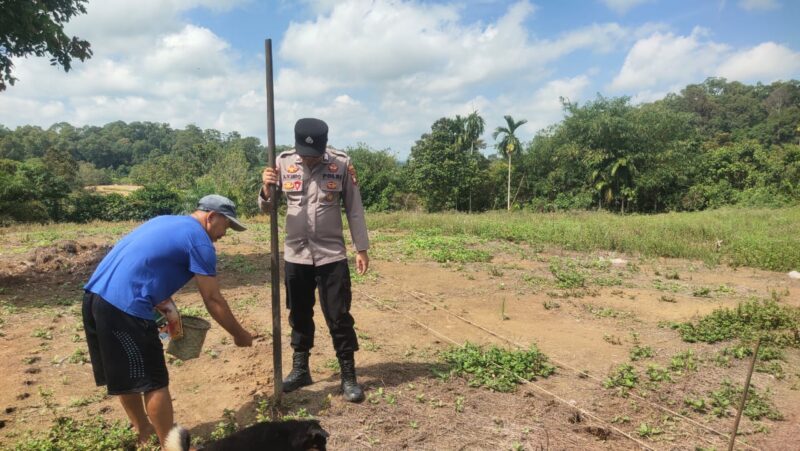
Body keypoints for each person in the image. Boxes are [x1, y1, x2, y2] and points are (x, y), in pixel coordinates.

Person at [82, 194, 255, 447]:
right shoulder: (200, 241)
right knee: (154, 381)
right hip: (126, 307)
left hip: (96, 298)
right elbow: (213, 299)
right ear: (211, 217)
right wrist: (239, 334)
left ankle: (144, 431)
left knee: (125, 376)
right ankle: (168, 444)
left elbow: (143, 266)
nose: (224, 234)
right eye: (226, 226)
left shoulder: (165, 221)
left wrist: (169, 317)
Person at [259, 117, 369, 403]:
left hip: (331, 255)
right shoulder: (282, 163)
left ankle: (348, 375)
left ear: (324, 149)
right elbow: (266, 208)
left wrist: (361, 248)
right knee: (298, 312)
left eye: (314, 156)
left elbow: (354, 209)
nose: (308, 161)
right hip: (296, 255)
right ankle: (300, 369)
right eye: (304, 156)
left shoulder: (341, 164)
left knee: (339, 315)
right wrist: (266, 189)